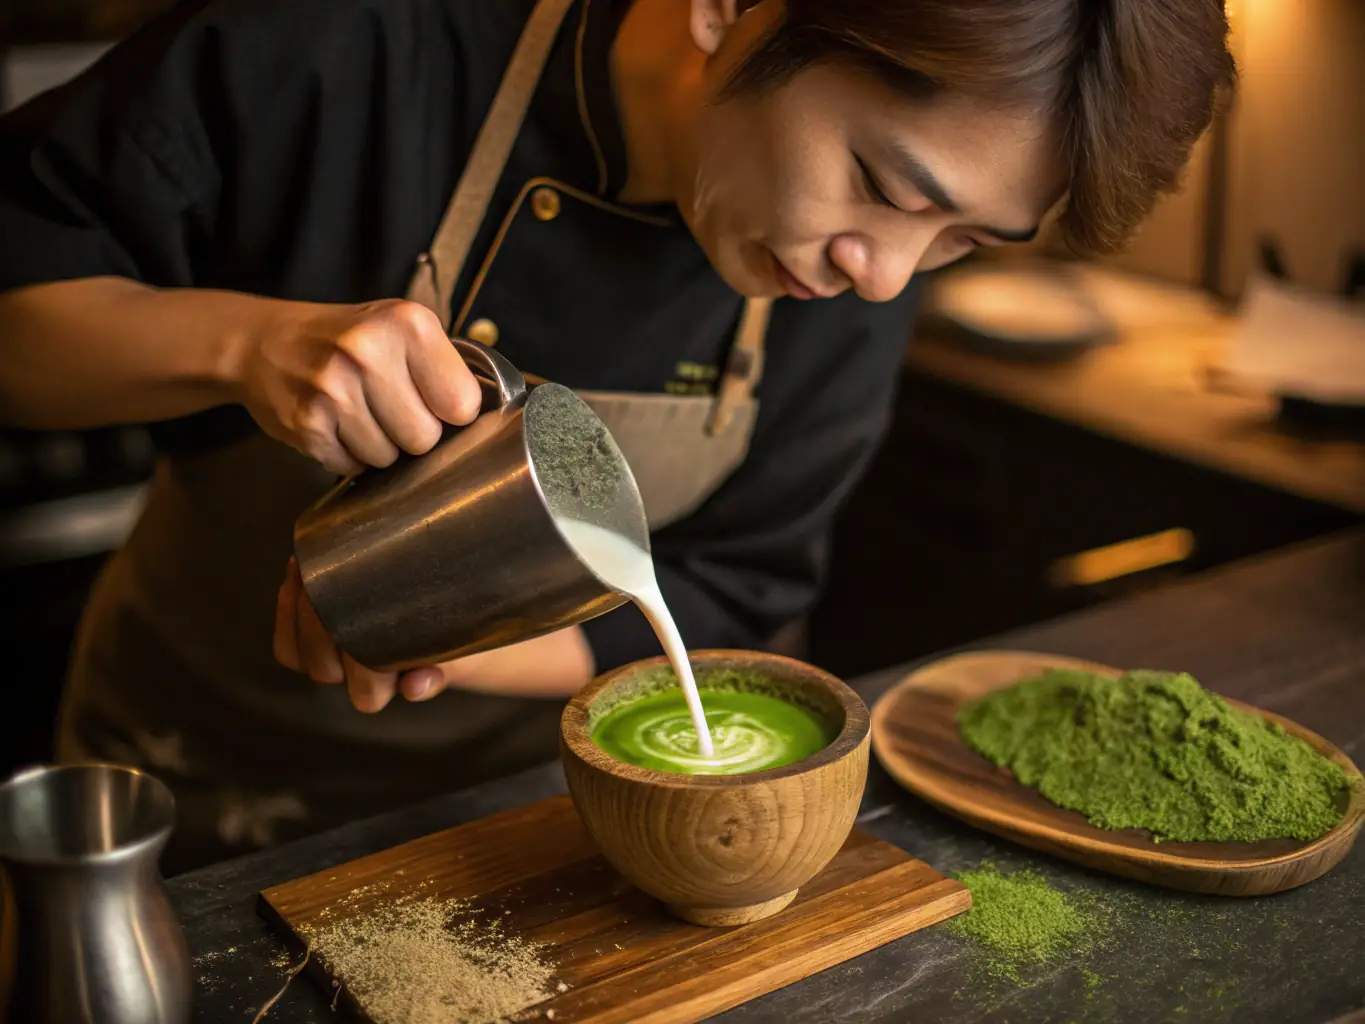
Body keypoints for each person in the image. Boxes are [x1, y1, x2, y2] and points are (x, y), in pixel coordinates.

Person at [0, 0, 1234, 872]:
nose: (884, 275)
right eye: (888, 186)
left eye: (963, 240)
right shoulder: (350, 39)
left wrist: (446, 611)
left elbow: (734, 588)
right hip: (184, 792)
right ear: (728, 9)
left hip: (542, 835)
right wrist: (245, 346)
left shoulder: (845, 288)